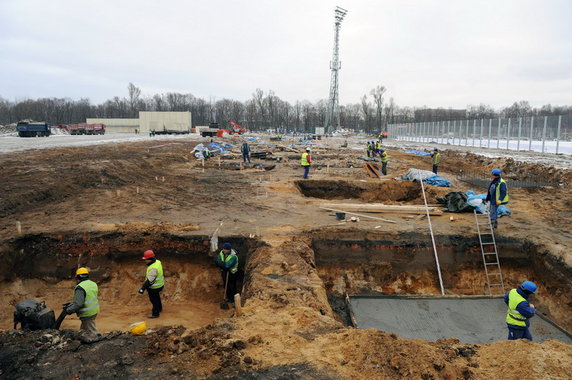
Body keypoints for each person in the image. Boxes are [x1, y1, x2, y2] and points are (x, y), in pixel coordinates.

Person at [65, 267, 100, 338]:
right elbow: (88, 297)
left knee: (92, 332)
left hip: (87, 313)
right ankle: (83, 340)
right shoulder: (93, 284)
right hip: (94, 310)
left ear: (78, 277)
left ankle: (96, 342)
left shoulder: (80, 287)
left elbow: (78, 304)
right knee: (84, 329)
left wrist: (68, 310)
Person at [138, 250, 165, 318]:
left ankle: (155, 314)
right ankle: (159, 309)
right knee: (157, 297)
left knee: (154, 300)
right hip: (160, 285)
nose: (145, 261)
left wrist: (142, 288)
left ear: (149, 259)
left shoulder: (153, 268)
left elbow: (150, 281)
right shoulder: (158, 262)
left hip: (154, 287)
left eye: (145, 259)